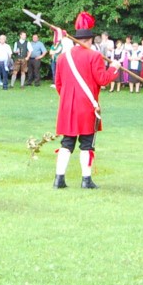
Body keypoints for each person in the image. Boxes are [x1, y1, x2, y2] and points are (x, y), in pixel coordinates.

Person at [52, 12, 120, 189]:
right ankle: (86, 180)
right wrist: (114, 68)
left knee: (67, 142)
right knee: (87, 143)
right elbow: (103, 79)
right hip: (86, 107)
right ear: (89, 39)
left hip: (67, 107)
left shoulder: (62, 58)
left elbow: (58, 84)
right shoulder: (94, 56)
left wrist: (68, 99)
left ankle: (59, 179)